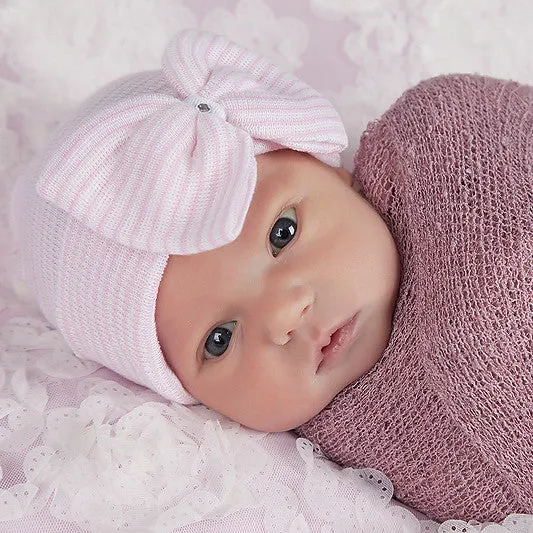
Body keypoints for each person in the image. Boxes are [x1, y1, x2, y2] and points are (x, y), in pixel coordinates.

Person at [12, 28, 533, 523]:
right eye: (220, 339)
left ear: (330, 170)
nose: (284, 313)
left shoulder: (444, 140)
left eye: (281, 234)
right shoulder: (370, 445)